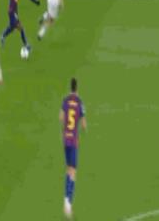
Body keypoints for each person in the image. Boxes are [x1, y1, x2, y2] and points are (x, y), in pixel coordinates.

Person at [60, 78, 87, 219]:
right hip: (74, 140)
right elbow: (84, 124)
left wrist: (66, 127)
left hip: (65, 138)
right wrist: (81, 127)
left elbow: (61, 117)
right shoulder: (79, 102)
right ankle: (68, 202)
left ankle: (67, 202)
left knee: (68, 168)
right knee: (73, 170)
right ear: (77, 88)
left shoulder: (65, 100)